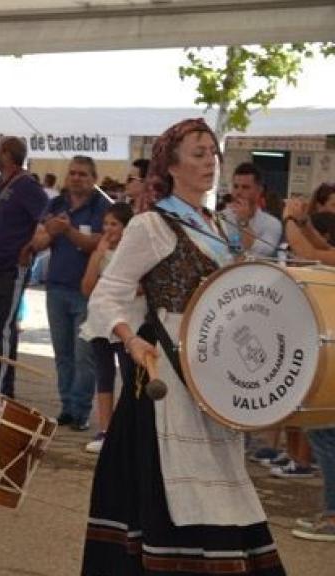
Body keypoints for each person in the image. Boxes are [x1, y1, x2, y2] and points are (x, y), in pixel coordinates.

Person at [81, 118, 285, 575]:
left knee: (223, 485)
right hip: (166, 380)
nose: (209, 161)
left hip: (211, 379)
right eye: (197, 153)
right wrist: (131, 341)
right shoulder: (152, 224)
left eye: (212, 152)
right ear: (170, 166)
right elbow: (107, 295)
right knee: (176, 492)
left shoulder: (216, 224)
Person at [30, 155, 110, 430]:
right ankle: (66, 408)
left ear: (93, 179)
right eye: (73, 173)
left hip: (87, 292)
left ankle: (81, 412)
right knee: (62, 353)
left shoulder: (102, 208)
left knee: (83, 356)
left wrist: (68, 231)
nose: (77, 178)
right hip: (56, 289)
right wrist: (53, 231)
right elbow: (38, 241)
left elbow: (96, 244)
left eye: (83, 174)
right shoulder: (55, 204)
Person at [0, 136, 49, 398]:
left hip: (9, 268)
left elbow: (48, 218)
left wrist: (30, 247)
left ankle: (0, 389)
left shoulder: (26, 185)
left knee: (1, 329)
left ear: (7, 154)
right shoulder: (6, 185)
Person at [78, 202, 139, 453]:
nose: (108, 229)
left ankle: (129, 429)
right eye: (106, 224)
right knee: (104, 375)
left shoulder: (133, 255)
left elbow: (135, 289)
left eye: (114, 224)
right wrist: (98, 256)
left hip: (127, 321)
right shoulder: (100, 253)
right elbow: (88, 287)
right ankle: (105, 428)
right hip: (101, 322)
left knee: (129, 376)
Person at [221, 162, 282, 258]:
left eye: (245, 187)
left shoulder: (272, 224)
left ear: (259, 191)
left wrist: (243, 222)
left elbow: (261, 253)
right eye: (235, 186)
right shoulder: (222, 218)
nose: (238, 192)